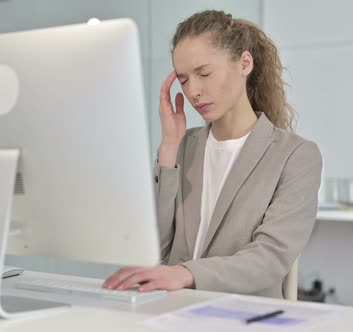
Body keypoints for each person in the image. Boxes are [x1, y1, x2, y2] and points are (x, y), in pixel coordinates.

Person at [102, 10, 322, 298]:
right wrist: (169, 147)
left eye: (204, 73)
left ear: (244, 63)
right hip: (172, 310)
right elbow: (153, 249)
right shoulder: (182, 146)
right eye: (183, 80)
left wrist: (186, 274)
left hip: (244, 315)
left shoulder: (296, 156)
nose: (193, 91)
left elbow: (269, 259)